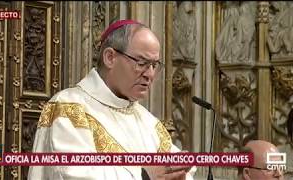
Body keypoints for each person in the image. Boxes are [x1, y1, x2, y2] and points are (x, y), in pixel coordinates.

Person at [28, 19, 196, 180]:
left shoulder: (149, 124)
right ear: (110, 57)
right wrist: (144, 175)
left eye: (154, 65)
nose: (150, 74)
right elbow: (71, 174)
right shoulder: (69, 109)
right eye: (142, 62)